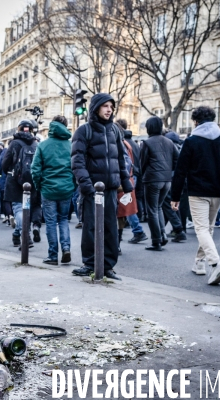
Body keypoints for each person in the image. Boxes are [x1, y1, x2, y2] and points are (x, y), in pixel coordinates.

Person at [71, 93, 133, 280]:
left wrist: (126, 185)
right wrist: (87, 187)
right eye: (105, 106)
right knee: (90, 227)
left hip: (111, 188)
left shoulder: (115, 130)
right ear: (96, 107)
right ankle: (89, 264)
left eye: (111, 106)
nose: (109, 110)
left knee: (110, 228)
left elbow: (121, 160)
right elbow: (77, 162)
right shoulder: (84, 131)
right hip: (92, 189)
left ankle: (108, 266)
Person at [170, 106, 220, 285]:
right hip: (218, 191)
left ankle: (216, 263)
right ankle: (199, 263)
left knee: (202, 229)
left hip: (197, 192)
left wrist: (175, 196)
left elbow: (180, 171)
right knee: (208, 228)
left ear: (195, 122)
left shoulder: (192, 141)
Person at [31, 115, 75, 265]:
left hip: (48, 189)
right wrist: (72, 185)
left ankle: (53, 255)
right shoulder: (70, 145)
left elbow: (35, 169)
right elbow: (76, 167)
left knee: (50, 222)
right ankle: (66, 247)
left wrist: (39, 185)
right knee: (63, 219)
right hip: (66, 188)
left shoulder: (43, 145)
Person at [140, 116, 179, 251]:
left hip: (152, 179)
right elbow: (177, 160)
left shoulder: (147, 143)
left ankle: (157, 240)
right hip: (166, 180)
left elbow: (142, 163)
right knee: (158, 208)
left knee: (152, 210)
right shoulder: (169, 142)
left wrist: (143, 176)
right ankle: (162, 235)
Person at [2, 119, 40, 248]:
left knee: (18, 209)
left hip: (15, 181)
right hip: (32, 181)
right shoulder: (35, 144)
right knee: (27, 209)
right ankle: (17, 234)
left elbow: (5, 163)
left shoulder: (14, 143)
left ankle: (25, 235)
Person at [117, 119, 148, 244]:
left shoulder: (121, 144)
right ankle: (136, 230)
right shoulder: (131, 143)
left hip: (124, 178)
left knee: (122, 210)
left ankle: (137, 230)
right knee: (126, 207)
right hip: (130, 176)